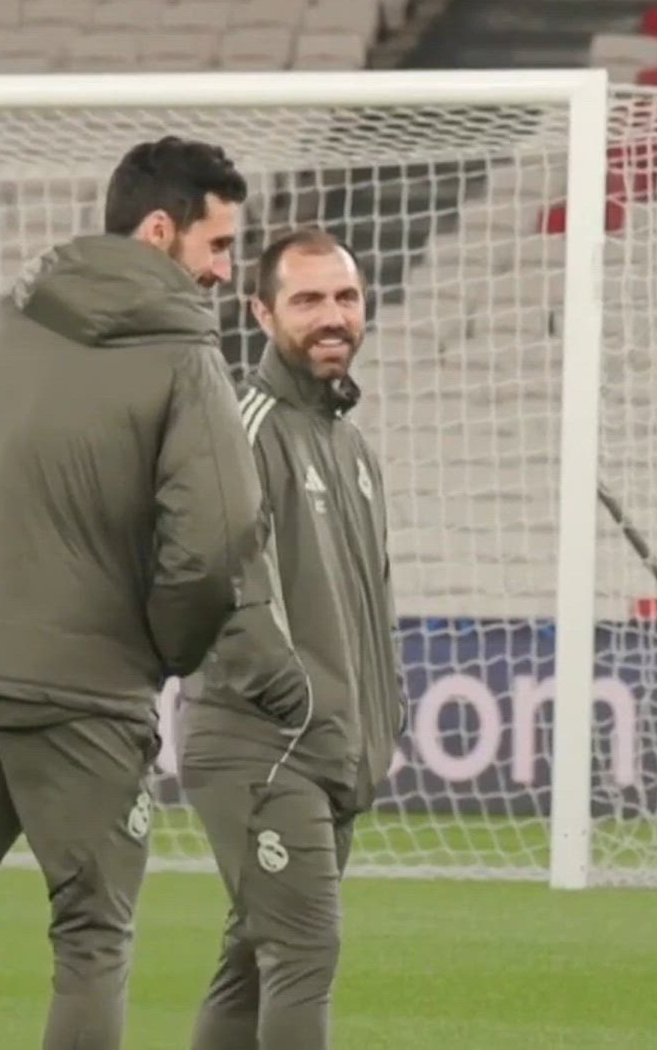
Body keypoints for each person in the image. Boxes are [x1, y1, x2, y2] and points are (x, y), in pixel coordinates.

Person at [0, 136, 262, 1050]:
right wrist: (158, 650)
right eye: (218, 245)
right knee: (91, 942)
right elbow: (217, 539)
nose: (225, 273)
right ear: (160, 232)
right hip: (89, 702)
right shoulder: (184, 360)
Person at [179, 228, 404, 1049]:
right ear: (262, 313)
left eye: (345, 297)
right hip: (263, 744)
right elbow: (214, 583)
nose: (332, 316)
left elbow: (368, 603)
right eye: (307, 300)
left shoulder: (354, 448)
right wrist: (301, 705)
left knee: (252, 965)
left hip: (328, 747)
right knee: (303, 953)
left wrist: (381, 717)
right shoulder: (241, 428)